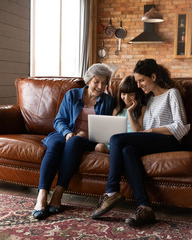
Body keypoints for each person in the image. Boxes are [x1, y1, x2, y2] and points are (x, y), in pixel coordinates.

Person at [91, 59, 190, 227]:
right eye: (137, 81)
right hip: (153, 141)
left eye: (141, 80)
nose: (139, 85)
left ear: (153, 76)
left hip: (170, 140)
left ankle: (111, 191)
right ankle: (145, 207)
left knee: (116, 139)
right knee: (127, 150)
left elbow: (181, 126)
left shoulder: (171, 93)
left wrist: (152, 131)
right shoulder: (149, 99)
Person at [32, 63, 115, 220]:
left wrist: (87, 136)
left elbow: (105, 127)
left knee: (76, 142)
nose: (100, 86)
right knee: (55, 144)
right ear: (89, 80)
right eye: (97, 81)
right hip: (64, 134)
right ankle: (42, 195)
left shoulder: (108, 101)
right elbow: (59, 120)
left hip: (87, 140)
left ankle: (58, 193)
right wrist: (68, 132)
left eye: (104, 83)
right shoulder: (71, 95)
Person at [95, 75, 146, 154]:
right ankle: (115, 152)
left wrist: (129, 112)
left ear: (137, 94)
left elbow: (137, 130)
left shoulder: (141, 109)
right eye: (123, 94)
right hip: (116, 140)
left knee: (126, 149)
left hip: (130, 141)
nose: (126, 97)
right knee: (99, 147)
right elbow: (110, 130)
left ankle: (117, 152)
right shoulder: (117, 110)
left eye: (131, 94)